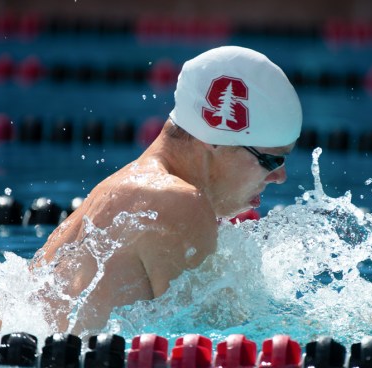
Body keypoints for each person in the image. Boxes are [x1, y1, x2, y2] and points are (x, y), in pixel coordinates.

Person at [32, 46, 302, 333]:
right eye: (271, 160)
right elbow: (218, 342)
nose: (280, 177)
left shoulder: (118, 191)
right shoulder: (174, 202)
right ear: (217, 138)